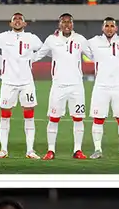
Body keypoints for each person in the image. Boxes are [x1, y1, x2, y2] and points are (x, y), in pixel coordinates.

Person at [30, 14, 93, 160]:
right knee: (53, 118)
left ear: (72, 24)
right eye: (63, 22)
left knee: (78, 118)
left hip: (77, 86)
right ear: (59, 24)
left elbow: (94, 56)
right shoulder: (51, 40)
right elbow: (38, 55)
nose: (66, 24)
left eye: (69, 22)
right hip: (58, 86)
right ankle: (51, 150)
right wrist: (22, 60)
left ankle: (77, 150)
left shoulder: (80, 39)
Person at [0, 13, 45, 159]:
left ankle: (30, 150)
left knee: (29, 115)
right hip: (8, 82)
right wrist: (0, 61)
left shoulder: (32, 38)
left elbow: (44, 49)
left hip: (27, 82)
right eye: (15, 19)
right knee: (5, 115)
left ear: (25, 24)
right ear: (10, 23)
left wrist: (32, 59)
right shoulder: (3, 37)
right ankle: (3, 150)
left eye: (20, 19)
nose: (18, 21)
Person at [86, 17, 119, 159]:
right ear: (102, 28)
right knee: (98, 119)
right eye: (106, 25)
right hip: (101, 86)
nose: (109, 28)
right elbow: (79, 45)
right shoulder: (94, 42)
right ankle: (97, 149)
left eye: (112, 26)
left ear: (116, 28)